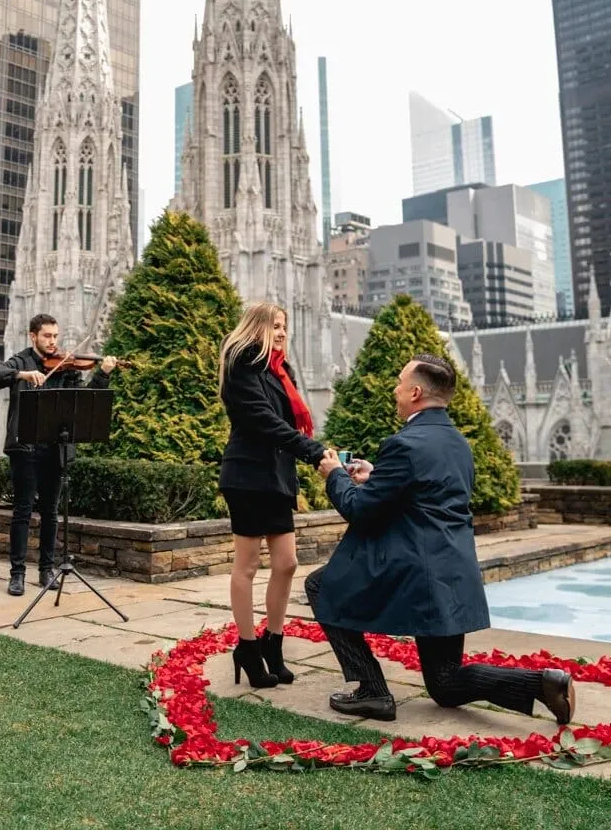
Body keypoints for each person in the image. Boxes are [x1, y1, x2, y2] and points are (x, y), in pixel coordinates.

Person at [306, 353, 576, 724]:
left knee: (320, 585)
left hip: (414, 572)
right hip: (453, 571)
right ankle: (543, 683)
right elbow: (426, 492)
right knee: (445, 684)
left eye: (400, 384)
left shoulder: (404, 443)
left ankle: (372, 691)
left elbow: (360, 511)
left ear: (416, 392)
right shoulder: (457, 443)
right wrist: (378, 475)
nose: (396, 391)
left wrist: (335, 474)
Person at [219, 302, 326, 688]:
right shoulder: (241, 365)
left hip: (277, 476)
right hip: (247, 475)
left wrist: (313, 451)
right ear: (257, 328)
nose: (281, 332)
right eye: (274, 326)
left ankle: (273, 642)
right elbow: (264, 422)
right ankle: (247, 647)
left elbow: (285, 424)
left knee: (287, 562)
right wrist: (313, 452)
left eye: (284, 326)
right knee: (246, 565)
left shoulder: (282, 371)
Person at [0, 314, 116, 596]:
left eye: (55, 336)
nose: (53, 341)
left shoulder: (67, 369)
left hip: (55, 449)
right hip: (25, 448)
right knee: (22, 511)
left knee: (51, 513)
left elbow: (86, 402)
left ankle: (46, 570)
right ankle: (17, 574)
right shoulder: (20, 361)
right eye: (47, 336)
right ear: (33, 336)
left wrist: (102, 374)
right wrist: (20, 375)